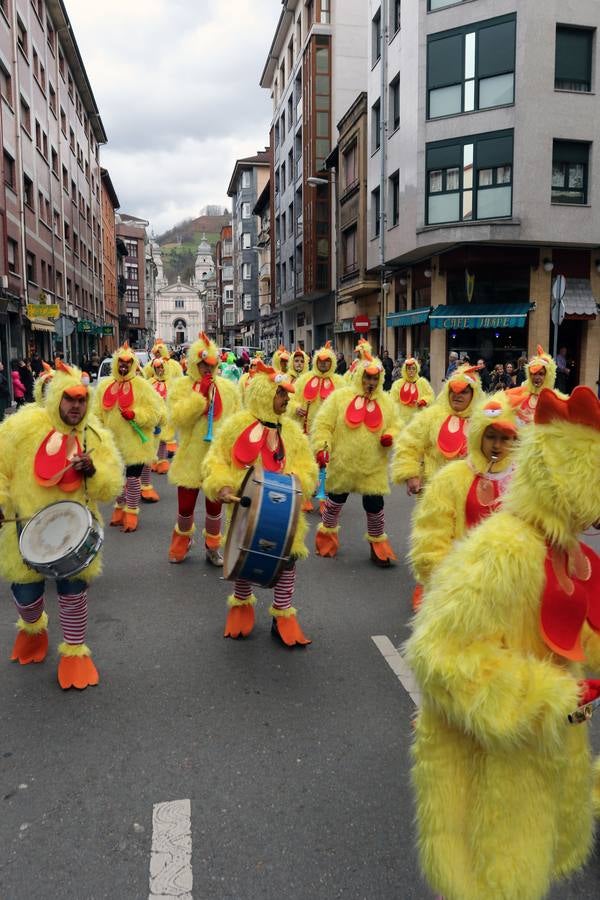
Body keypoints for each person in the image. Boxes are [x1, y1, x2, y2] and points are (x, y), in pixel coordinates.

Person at [404, 385, 600, 900]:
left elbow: (575, 627)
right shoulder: (504, 549)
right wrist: (546, 696)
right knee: (494, 880)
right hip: (490, 764)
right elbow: (438, 655)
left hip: (539, 755)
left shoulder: (563, 550)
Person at [0, 360, 123, 689]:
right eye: (69, 399)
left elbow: (111, 486)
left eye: (82, 399)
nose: (76, 406)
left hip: (74, 533)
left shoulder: (95, 435)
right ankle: (33, 628)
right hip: (25, 530)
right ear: (56, 397)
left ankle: (74, 652)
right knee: (26, 596)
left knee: (73, 593)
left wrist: (93, 471)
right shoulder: (21, 427)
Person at [201, 361, 318, 645]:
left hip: (285, 510)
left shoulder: (292, 432)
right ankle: (242, 605)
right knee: (244, 554)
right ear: (266, 394)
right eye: (281, 393)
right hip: (246, 506)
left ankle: (283, 614)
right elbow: (215, 460)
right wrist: (223, 484)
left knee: (288, 558)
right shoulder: (236, 426)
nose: (287, 399)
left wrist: (298, 481)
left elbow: (307, 466)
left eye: (287, 394)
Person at [409, 392, 518, 595]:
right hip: (461, 579)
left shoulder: (523, 480)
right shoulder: (451, 477)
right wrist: (437, 576)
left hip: (507, 582)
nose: (497, 445)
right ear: (478, 435)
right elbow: (433, 531)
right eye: (490, 436)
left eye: (505, 438)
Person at [312, 354, 400, 567]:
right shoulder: (340, 397)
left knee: (375, 506)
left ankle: (378, 547)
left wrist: (391, 435)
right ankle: (326, 539)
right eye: (367, 377)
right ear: (360, 376)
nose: (371, 382)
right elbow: (324, 424)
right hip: (343, 464)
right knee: (334, 503)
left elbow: (396, 424)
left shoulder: (386, 402)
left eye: (375, 378)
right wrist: (322, 447)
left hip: (373, 466)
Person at [166, 332, 239, 565]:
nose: (208, 369)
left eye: (211, 365)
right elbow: (177, 418)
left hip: (217, 459)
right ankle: (182, 542)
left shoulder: (228, 388)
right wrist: (199, 396)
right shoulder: (181, 387)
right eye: (203, 364)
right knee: (185, 508)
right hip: (190, 457)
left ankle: (212, 547)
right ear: (194, 363)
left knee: (215, 507)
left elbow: (237, 422)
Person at [94, 342, 165, 533]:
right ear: (116, 363)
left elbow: (155, 413)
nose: (124, 366)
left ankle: (131, 513)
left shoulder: (142, 386)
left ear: (133, 364)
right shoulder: (104, 386)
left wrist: (135, 415)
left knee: (132, 479)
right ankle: (119, 510)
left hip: (136, 444)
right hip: (113, 444)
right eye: (121, 362)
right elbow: (96, 414)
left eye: (128, 362)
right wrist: (98, 436)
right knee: (118, 479)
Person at [392, 365, 483, 495]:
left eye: (464, 392)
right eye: (453, 391)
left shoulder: (482, 422)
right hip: (433, 492)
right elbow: (408, 444)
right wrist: (411, 474)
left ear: (474, 394)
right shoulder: (431, 416)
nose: (457, 395)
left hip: (469, 494)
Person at [507, 345, 561, 427]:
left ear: (547, 376)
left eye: (541, 374)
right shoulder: (523, 393)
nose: (537, 377)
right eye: (534, 374)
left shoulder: (553, 399)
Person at [392, 357, 434, 425]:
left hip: (417, 417)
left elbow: (430, 395)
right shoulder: (398, 384)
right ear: (405, 370)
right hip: (402, 418)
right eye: (409, 368)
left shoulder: (422, 382)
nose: (411, 370)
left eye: (413, 368)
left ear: (417, 370)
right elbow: (393, 400)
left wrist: (423, 401)